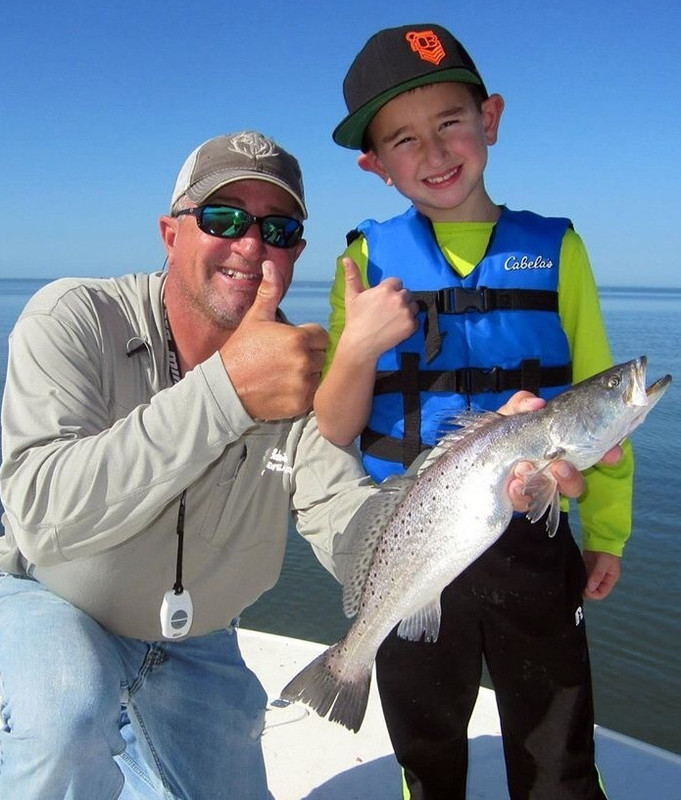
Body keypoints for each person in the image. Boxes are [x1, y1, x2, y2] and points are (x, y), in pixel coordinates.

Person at [0, 130, 591, 800]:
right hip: (56, 603)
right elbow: (41, 513)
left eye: (276, 228)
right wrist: (223, 391)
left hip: (197, 641)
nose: (250, 246)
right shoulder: (75, 317)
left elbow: (344, 518)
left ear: (296, 252)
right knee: (63, 718)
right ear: (171, 234)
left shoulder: (304, 379)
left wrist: (473, 480)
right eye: (222, 219)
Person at [315, 24, 634, 800]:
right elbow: (331, 423)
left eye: (450, 122)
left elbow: (603, 411)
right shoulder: (360, 261)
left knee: (557, 754)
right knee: (427, 761)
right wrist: (356, 349)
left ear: (488, 119)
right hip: (411, 544)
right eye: (402, 139)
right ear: (375, 166)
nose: (432, 153)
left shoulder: (559, 250)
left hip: (538, 541)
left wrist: (609, 535)